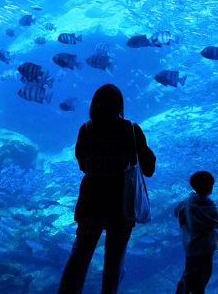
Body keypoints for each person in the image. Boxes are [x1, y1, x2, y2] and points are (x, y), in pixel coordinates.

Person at [58, 83, 156, 294]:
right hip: (121, 203)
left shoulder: (87, 128)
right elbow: (149, 169)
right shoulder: (131, 129)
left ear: (95, 104)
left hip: (90, 201)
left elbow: (82, 164)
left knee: (79, 257)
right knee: (114, 261)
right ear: (120, 105)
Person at [174, 171, 218, 294]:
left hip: (190, 244)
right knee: (203, 274)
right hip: (205, 246)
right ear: (209, 187)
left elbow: (177, 212)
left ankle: (184, 283)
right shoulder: (210, 204)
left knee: (190, 269)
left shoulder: (186, 202)